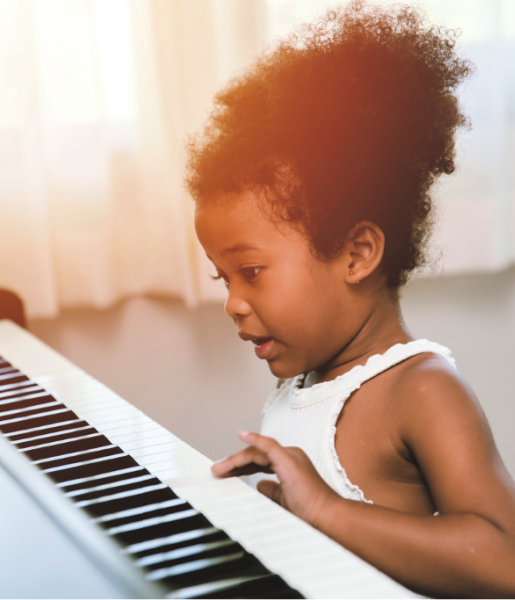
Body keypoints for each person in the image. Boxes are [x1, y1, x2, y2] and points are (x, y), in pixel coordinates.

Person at [185, 1, 515, 597]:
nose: (233, 303)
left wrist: (325, 512)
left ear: (358, 254)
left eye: (251, 271)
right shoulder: (305, 385)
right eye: (222, 279)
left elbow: (503, 559)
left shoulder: (421, 388)